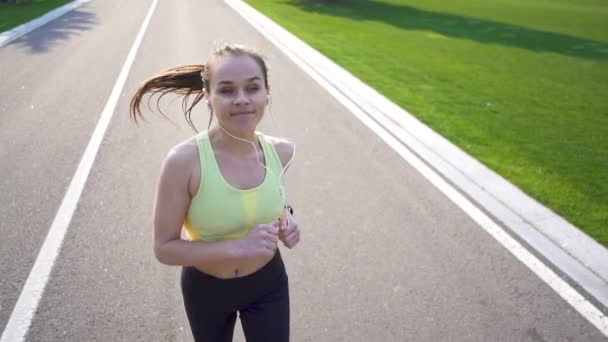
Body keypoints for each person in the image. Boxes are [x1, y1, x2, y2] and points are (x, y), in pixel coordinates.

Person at [129, 43, 300, 342]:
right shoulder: (184, 162)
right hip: (207, 290)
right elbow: (164, 248)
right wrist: (237, 247)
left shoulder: (281, 152)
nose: (242, 100)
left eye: (252, 88)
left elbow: (272, 198)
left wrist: (286, 222)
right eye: (227, 90)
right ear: (207, 96)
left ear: (266, 92)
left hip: (268, 284)